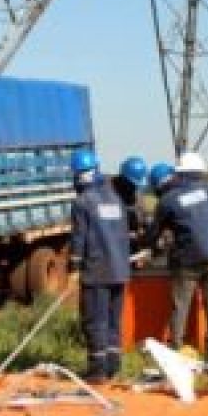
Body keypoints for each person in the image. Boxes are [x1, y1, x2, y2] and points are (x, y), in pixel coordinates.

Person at [143, 151, 208, 363]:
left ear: (180, 174)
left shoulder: (169, 200)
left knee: (180, 306)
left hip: (186, 262)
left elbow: (152, 235)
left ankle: (175, 350)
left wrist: (146, 243)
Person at [67, 148, 131, 384]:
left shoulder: (82, 202)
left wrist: (73, 267)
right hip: (120, 270)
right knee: (114, 321)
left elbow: (79, 238)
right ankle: (113, 366)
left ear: (80, 175)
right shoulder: (116, 199)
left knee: (95, 320)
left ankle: (97, 371)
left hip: (97, 271)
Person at [113, 156, 151, 242]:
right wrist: (125, 234)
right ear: (123, 178)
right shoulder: (109, 192)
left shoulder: (137, 193)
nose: (133, 187)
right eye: (131, 184)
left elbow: (142, 215)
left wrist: (145, 226)